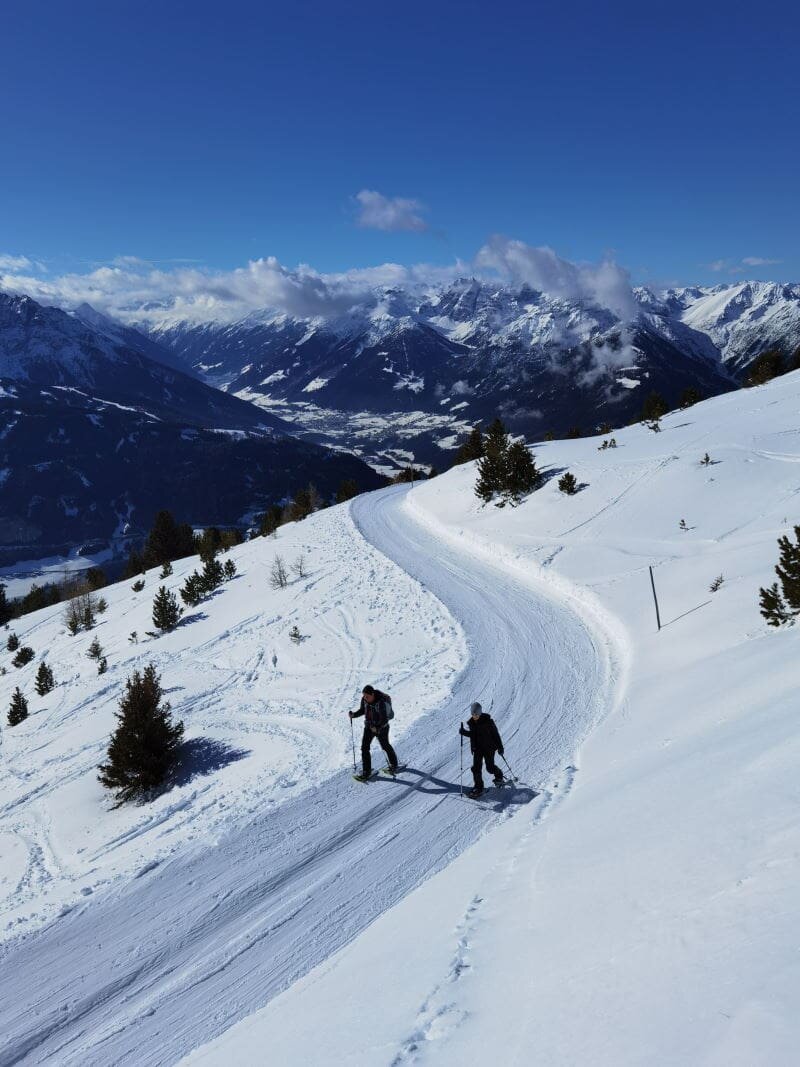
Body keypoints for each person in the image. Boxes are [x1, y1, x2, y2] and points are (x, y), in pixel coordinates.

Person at [350, 684, 398, 781]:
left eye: (367, 696)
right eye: (364, 696)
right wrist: (354, 715)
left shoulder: (381, 702)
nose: (365, 698)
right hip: (369, 726)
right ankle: (367, 772)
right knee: (364, 748)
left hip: (382, 727)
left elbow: (384, 719)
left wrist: (378, 728)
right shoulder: (365, 699)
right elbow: (363, 710)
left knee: (385, 745)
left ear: (372, 694)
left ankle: (394, 764)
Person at [459, 702, 505, 798]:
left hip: (489, 748)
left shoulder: (488, 722)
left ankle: (499, 775)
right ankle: (479, 787)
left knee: (490, 768)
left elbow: (496, 735)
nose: (474, 716)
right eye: (473, 714)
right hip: (477, 749)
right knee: (476, 768)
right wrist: (464, 732)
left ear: (480, 713)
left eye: (476, 714)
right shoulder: (471, 723)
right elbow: (474, 735)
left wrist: (500, 747)